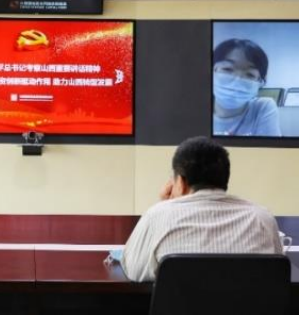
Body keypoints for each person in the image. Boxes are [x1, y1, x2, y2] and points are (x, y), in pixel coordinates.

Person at [121, 137, 283, 282]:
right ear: (225, 178)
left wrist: (165, 206)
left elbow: (134, 270)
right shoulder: (262, 219)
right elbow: (276, 273)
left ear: (181, 182)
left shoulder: (157, 216)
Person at [212, 39, 280, 136]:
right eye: (227, 69)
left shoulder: (262, 108)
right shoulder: (196, 107)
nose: (237, 80)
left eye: (250, 74)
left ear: (260, 83)